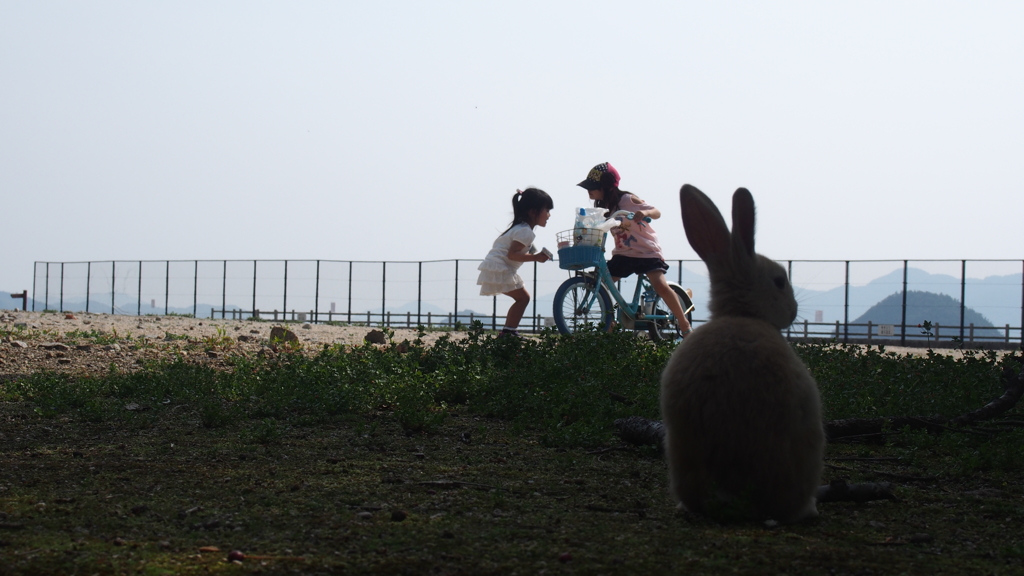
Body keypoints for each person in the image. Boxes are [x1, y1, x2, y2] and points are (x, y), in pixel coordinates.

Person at [576, 162, 692, 337]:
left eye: (593, 187)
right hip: (624, 255)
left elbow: (656, 212)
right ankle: (610, 323)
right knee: (602, 283)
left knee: (660, 286)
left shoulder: (627, 200)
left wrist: (645, 213)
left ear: (606, 187)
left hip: (646, 251)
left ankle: (685, 325)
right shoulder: (604, 208)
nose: (589, 191)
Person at [477, 188, 553, 337]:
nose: (549, 215)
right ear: (533, 211)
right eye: (547, 210)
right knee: (523, 298)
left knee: (521, 298)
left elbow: (518, 250)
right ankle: (509, 331)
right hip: (500, 267)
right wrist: (537, 257)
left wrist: (535, 254)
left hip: (494, 266)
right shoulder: (526, 232)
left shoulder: (520, 229)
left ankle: (508, 330)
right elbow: (512, 254)